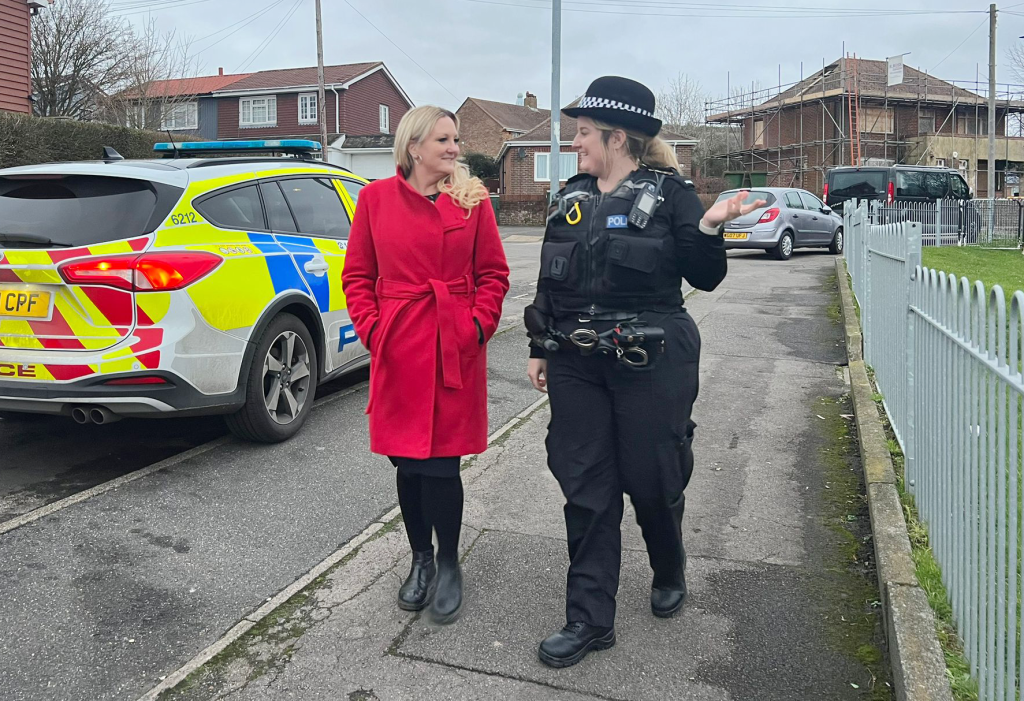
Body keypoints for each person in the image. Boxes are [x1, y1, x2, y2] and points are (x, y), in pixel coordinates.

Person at [525, 76, 764, 667]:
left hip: (650, 359)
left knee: (652, 476)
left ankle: (668, 564)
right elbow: (551, 278)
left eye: (583, 132)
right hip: (576, 359)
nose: (574, 142)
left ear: (617, 137)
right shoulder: (570, 197)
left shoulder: (671, 194)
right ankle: (589, 617)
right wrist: (539, 343)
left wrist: (711, 227)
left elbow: (705, 277)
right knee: (585, 483)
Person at [342, 106, 510, 625]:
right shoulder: (374, 199)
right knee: (407, 462)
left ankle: (449, 561)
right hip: (398, 347)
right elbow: (357, 276)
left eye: (455, 139)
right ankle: (420, 557)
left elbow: (493, 274)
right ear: (414, 147)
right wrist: (375, 331)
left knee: (441, 463)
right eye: (444, 140)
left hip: (451, 346)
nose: (455, 148)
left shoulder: (471, 200)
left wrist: (475, 327)